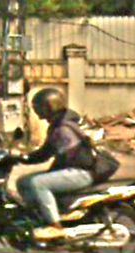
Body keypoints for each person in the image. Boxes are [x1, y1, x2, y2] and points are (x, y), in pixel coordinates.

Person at [16, 88, 96, 240]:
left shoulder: (63, 128)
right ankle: (38, 217)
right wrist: (22, 158)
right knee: (23, 182)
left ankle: (55, 226)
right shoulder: (58, 124)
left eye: (39, 107)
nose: (36, 111)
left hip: (81, 172)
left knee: (38, 183)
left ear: (49, 106)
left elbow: (67, 156)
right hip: (74, 170)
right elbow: (46, 153)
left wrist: (26, 159)